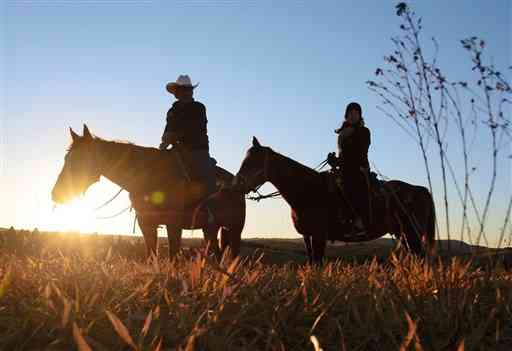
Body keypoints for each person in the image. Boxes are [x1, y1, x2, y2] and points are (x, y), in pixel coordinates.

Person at [159, 74, 216, 204]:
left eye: (187, 90)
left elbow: (196, 128)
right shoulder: (172, 111)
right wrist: (164, 142)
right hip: (177, 149)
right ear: (176, 93)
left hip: (197, 149)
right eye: (181, 90)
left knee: (202, 174)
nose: (185, 93)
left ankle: (208, 204)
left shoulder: (198, 108)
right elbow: (167, 130)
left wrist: (174, 136)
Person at [327, 102, 371, 235]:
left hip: (359, 168)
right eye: (350, 113)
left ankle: (359, 222)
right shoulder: (342, 133)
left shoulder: (364, 131)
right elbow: (343, 153)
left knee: (350, 184)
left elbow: (359, 152)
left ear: (359, 116)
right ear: (346, 116)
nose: (353, 116)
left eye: (356, 113)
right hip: (344, 168)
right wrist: (333, 161)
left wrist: (339, 161)